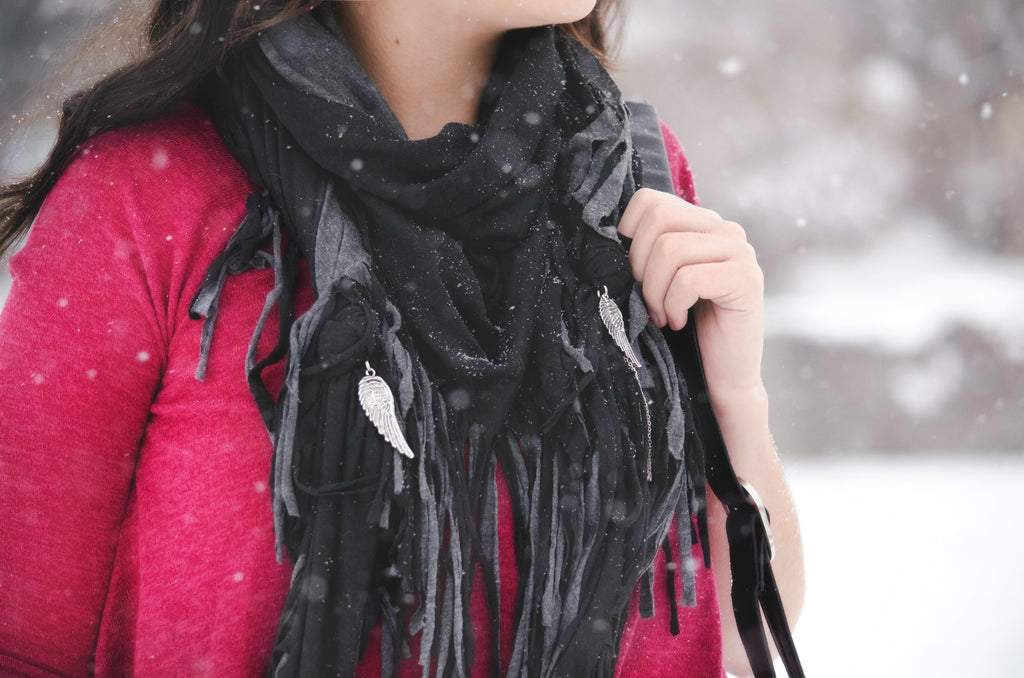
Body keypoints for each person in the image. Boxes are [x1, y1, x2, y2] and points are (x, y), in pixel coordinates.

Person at [0, 1, 804, 676]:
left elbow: (737, 634)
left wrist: (734, 397)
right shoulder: (145, 197)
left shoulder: (628, 191)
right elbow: (22, 638)